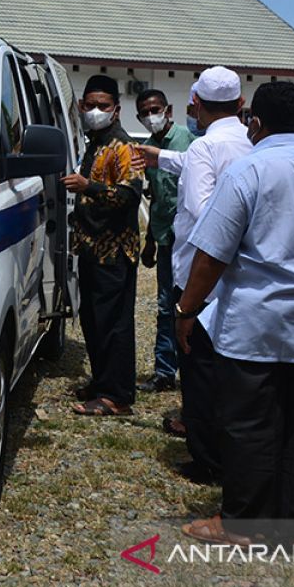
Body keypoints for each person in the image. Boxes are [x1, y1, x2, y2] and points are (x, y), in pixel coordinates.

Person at [175, 82, 294, 545]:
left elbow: (211, 253)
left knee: (249, 422)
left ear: (255, 121)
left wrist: (186, 308)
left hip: (257, 321)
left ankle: (242, 520)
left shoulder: (247, 171)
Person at [138, 67, 252, 483]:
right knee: (228, 368)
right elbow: (192, 161)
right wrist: (161, 156)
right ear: (240, 106)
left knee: (199, 370)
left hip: (200, 272)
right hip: (237, 275)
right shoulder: (247, 143)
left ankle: (207, 458)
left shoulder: (206, 148)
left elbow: (206, 213)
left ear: (196, 106)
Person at [64, 74, 144, 416]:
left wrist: (88, 187)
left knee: (114, 323)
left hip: (114, 251)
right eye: (90, 105)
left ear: (116, 109)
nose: (96, 111)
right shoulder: (94, 142)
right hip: (92, 248)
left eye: (103, 106)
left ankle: (117, 395)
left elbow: (129, 196)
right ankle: (102, 383)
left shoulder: (122, 147)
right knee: (94, 320)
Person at [135, 89, 195, 393]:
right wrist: (149, 241)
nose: (151, 117)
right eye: (144, 113)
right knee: (164, 305)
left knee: (192, 304)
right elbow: (155, 198)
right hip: (165, 239)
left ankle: (194, 370)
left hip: (192, 241)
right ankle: (163, 371)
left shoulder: (190, 142)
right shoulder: (147, 151)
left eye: (155, 110)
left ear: (168, 110)